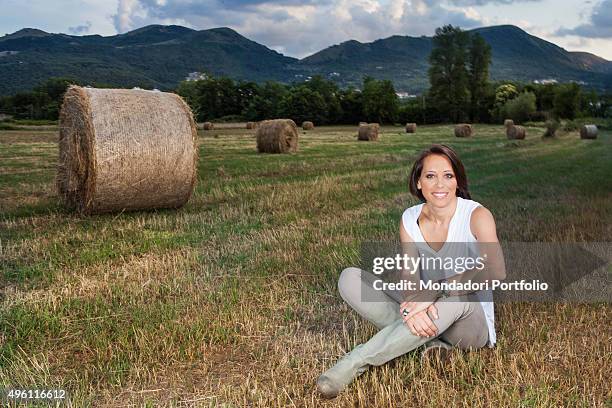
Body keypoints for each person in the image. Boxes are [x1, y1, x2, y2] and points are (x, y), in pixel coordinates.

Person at [316, 144, 506, 398]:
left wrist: (435, 291)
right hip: (427, 309)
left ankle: (356, 362)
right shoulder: (409, 218)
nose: (440, 184)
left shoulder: (477, 215)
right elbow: (410, 274)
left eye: (448, 175)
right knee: (350, 278)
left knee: (454, 299)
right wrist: (410, 306)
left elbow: (496, 268)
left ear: (457, 180)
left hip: (468, 321)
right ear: (418, 182)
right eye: (430, 176)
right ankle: (430, 344)